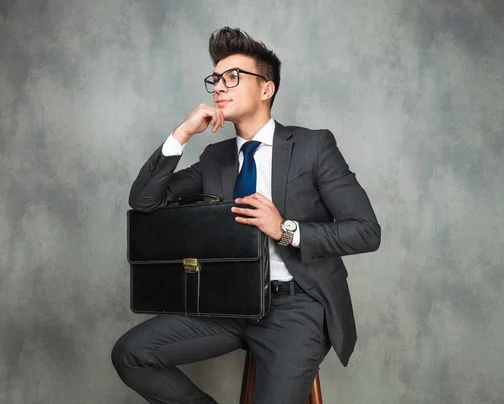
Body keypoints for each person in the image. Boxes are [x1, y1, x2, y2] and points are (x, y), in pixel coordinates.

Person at [111, 26, 381, 404]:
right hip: (228, 305)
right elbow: (144, 201)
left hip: (295, 307)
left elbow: (367, 231)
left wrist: (285, 229)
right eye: (215, 79)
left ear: (266, 88)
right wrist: (182, 135)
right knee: (131, 354)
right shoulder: (214, 159)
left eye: (232, 77)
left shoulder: (312, 147)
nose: (219, 87)